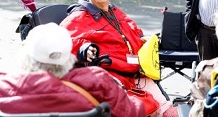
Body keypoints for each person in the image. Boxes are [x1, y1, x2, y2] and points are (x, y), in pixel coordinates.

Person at [60, 0, 177, 116]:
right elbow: (63, 39)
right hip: (112, 75)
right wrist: (85, 49)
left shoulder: (115, 11)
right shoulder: (79, 16)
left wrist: (142, 39)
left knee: (168, 112)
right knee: (135, 110)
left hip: (137, 72)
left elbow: (133, 29)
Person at [0, 23, 146, 116]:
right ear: (69, 56)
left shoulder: (4, 85)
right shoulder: (97, 81)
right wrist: (134, 99)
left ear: (26, 56)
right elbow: (132, 113)